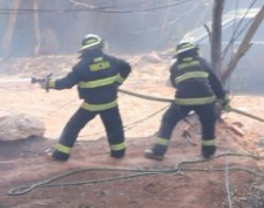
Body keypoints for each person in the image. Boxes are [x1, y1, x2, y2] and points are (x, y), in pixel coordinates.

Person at [37, 34, 132, 162]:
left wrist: (48, 83)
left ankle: (61, 155)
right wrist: (117, 82)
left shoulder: (81, 67)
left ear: (85, 50)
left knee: (73, 127)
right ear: (100, 46)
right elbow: (127, 67)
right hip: (110, 103)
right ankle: (118, 153)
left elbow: (66, 83)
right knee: (114, 127)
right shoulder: (112, 60)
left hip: (91, 105)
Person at [145, 40, 229, 161]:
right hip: (206, 100)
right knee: (208, 123)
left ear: (178, 54)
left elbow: (175, 83)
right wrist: (223, 99)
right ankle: (208, 153)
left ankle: (158, 152)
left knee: (168, 120)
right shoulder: (203, 62)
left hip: (183, 101)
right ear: (195, 51)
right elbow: (215, 83)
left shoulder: (175, 66)